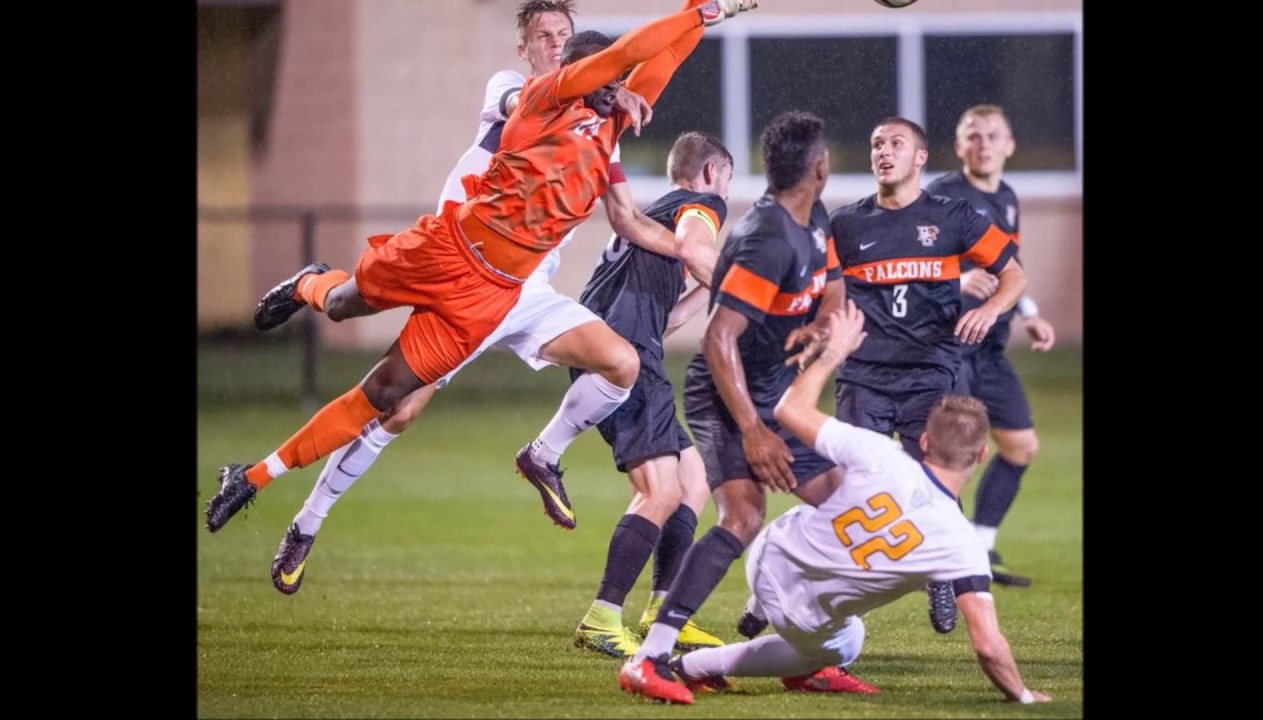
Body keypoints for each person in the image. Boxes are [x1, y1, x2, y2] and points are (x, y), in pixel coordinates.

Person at [204, 0, 758, 536]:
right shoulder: (542, 95)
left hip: (495, 293)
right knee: (344, 304)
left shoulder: (607, 127)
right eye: (609, 82)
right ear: (583, 73)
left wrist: (700, 8)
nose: (621, 94)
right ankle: (309, 283)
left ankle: (251, 476)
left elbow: (661, 58)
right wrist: (708, 13)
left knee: (388, 396)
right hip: (446, 249)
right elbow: (631, 52)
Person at [664, 300, 1052, 706]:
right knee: (846, 643)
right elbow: (988, 646)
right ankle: (699, 666)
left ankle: (751, 610)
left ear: (923, 441)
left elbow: (790, 408)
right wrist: (1022, 695)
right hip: (801, 616)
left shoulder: (877, 452)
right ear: (981, 455)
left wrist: (834, 353)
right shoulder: (961, 544)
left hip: (767, 554)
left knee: (833, 493)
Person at [619, 110, 853, 705]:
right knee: (743, 517)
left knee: (840, 502)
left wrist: (823, 326)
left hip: (772, 386)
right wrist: (753, 431)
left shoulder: (813, 219)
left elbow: (832, 286)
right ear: (819, 167)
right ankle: (650, 660)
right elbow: (718, 340)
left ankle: (803, 651)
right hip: (727, 392)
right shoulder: (764, 238)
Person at [826, 117, 1025, 634]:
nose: (883, 152)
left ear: (920, 158)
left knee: (935, 485)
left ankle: (942, 576)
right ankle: (823, 596)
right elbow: (822, 292)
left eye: (896, 144)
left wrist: (991, 310)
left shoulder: (953, 216)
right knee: (853, 489)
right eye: (875, 144)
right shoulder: (845, 224)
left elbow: (1013, 273)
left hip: (930, 372)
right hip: (863, 375)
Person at [569, 131, 733, 659]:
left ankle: (667, 614)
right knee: (660, 490)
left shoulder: (653, 216)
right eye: (727, 181)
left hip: (618, 348)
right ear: (711, 174)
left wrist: (710, 286)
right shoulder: (700, 205)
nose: (724, 195)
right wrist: (749, 292)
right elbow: (694, 245)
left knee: (693, 478)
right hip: (627, 359)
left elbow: (666, 316)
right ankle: (602, 616)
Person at [925, 104, 1056, 588]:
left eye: (992, 135)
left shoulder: (1007, 197)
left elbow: (1009, 266)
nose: (983, 143)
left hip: (992, 347)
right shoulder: (941, 195)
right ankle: (941, 562)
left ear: (1009, 145)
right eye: (973, 135)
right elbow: (916, 258)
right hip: (952, 343)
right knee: (950, 454)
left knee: (1020, 446)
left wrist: (1029, 313)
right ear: (959, 146)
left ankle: (978, 547)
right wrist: (959, 277)